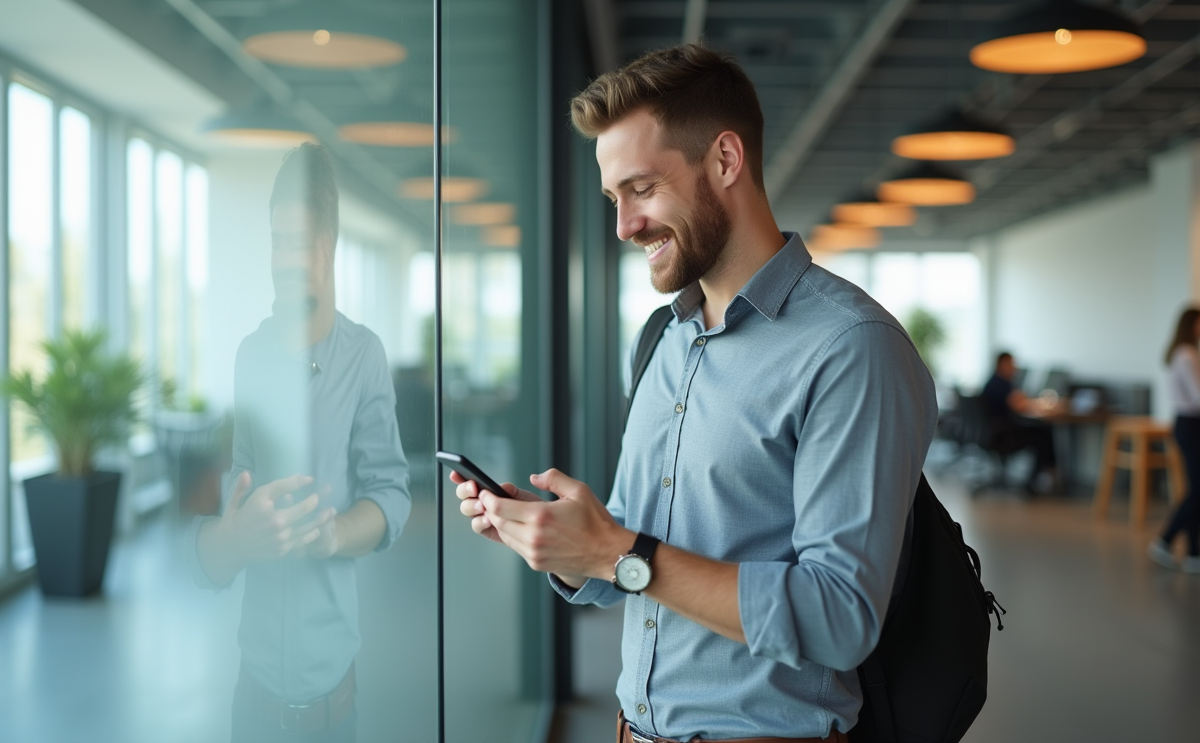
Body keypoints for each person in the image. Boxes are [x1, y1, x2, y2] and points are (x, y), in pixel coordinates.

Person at [451, 44, 936, 742]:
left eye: (642, 189)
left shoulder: (851, 348)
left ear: (725, 161)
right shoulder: (663, 339)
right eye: (614, 199)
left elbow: (839, 618)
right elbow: (639, 551)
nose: (623, 226)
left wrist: (620, 551)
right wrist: (567, 541)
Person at [191, 143, 411, 743]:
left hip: (331, 709)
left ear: (329, 245)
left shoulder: (363, 356)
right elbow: (221, 519)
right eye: (276, 240)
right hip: (251, 701)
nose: (286, 257)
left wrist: (334, 534)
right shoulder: (248, 356)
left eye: (301, 240)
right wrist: (234, 535)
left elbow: (391, 496)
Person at [1148, 306, 1200, 573]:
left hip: (1187, 423)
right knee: (1199, 490)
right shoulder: (1186, 355)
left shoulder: (1184, 353)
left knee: (1196, 489)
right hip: (1190, 424)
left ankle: (1194, 554)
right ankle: (1165, 540)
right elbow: (1197, 396)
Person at [980, 351, 1059, 495]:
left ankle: (1048, 473)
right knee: (1043, 433)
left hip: (991, 433)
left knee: (1042, 429)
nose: (1015, 368)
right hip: (1002, 435)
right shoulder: (1001, 384)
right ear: (1002, 364)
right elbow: (1019, 404)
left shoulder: (992, 382)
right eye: (1012, 364)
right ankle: (1035, 481)